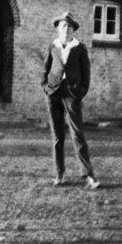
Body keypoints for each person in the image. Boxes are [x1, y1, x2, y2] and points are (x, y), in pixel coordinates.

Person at [41, 11, 100, 189]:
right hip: (54, 92)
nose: (67, 29)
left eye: (70, 26)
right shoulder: (53, 46)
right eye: (64, 26)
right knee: (58, 136)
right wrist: (45, 87)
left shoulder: (79, 48)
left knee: (77, 134)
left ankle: (89, 175)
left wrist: (80, 92)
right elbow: (46, 68)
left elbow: (86, 74)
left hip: (72, 94)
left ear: (74, 30)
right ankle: (59, 175)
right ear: (58, 29)